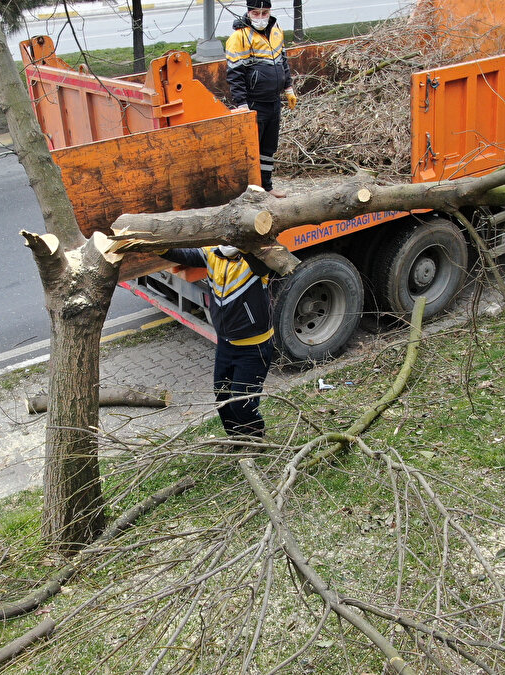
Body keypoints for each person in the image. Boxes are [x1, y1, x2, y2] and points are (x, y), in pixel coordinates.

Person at [161, 245, 276, 439]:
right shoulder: (212, 254)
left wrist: (245, 244)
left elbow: (263, 265)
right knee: (222, 396)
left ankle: (256, 437)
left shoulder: (255, 259)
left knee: (242, 401)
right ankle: (236, 437)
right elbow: (182, 254)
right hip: (225, 344)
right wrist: (158, 248)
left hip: (254, 347)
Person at [225, 0, 298, 198]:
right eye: (256, 13)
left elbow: (283, 62)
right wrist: (242, 104)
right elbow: (235, 74)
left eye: (264, 12)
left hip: (273, 100)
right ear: (249, 13)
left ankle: (267, 186)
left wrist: (288, 88)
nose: (260, 17)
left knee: (268, 148)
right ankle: (249, 190)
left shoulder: (276, 31)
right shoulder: (239, 37)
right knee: (251, 149)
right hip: (254, 102)